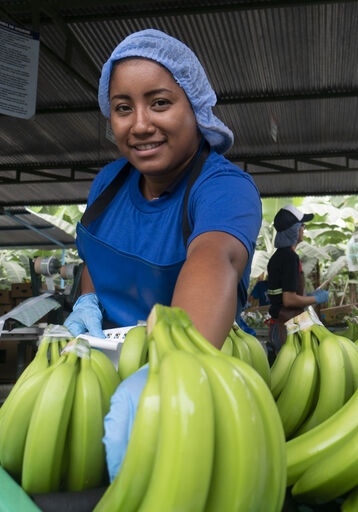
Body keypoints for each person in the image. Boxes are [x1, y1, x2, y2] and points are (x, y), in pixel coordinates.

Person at [62, 29, 262, 481]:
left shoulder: (222, 187)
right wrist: (86, 302)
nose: (139, 125)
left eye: (159, 102)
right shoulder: (109, 183)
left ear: (195, 107)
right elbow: (98, 257)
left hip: (195, 375)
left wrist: (171, 373)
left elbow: (213, 259)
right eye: (122, 108)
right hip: (110, 366)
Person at [266, 205, 329, 359]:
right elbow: (289, 300)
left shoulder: (277, 257)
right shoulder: (290, 258)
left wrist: (307, 296)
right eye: (302, 225)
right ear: (295, 229)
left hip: (278, 326)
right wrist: (316, 298)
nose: (304, 229)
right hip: (288, 329)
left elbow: (282, 294)